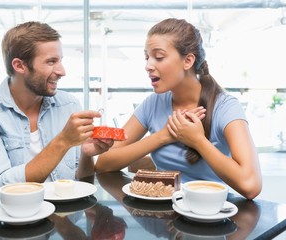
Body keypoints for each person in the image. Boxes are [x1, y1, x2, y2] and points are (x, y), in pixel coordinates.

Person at [95, 18, 262, 200]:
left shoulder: (226, 108)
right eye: (147, 57)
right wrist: (163, 136)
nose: (148, 66)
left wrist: (197, 140)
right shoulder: (153, 103)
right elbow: (104, 163)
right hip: (161, 212)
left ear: (188, 61)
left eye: (158, 57)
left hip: (207, 212)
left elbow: (251, 186)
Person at [0, 21, 114, 204]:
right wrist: (63, 141)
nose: (62, 71)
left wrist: (87, 154)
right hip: (2, 222)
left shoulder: (69, 105)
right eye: (51, 61)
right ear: (19, 66)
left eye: (60, 60)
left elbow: (78, 181)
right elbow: (1, 190)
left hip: (59, 219)